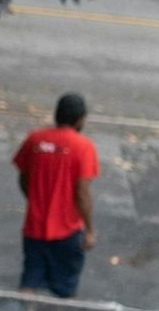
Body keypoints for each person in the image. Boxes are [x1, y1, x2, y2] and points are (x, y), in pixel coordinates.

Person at [12, 93, 99, 298]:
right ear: (80, 119)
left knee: (29, 282)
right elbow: (82, 194)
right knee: (65, 290)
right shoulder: (83, 148)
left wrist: (35, 199)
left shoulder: (35, 140)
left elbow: (23, 178)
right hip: (67, 232)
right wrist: (90, 230)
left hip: (34, 228)